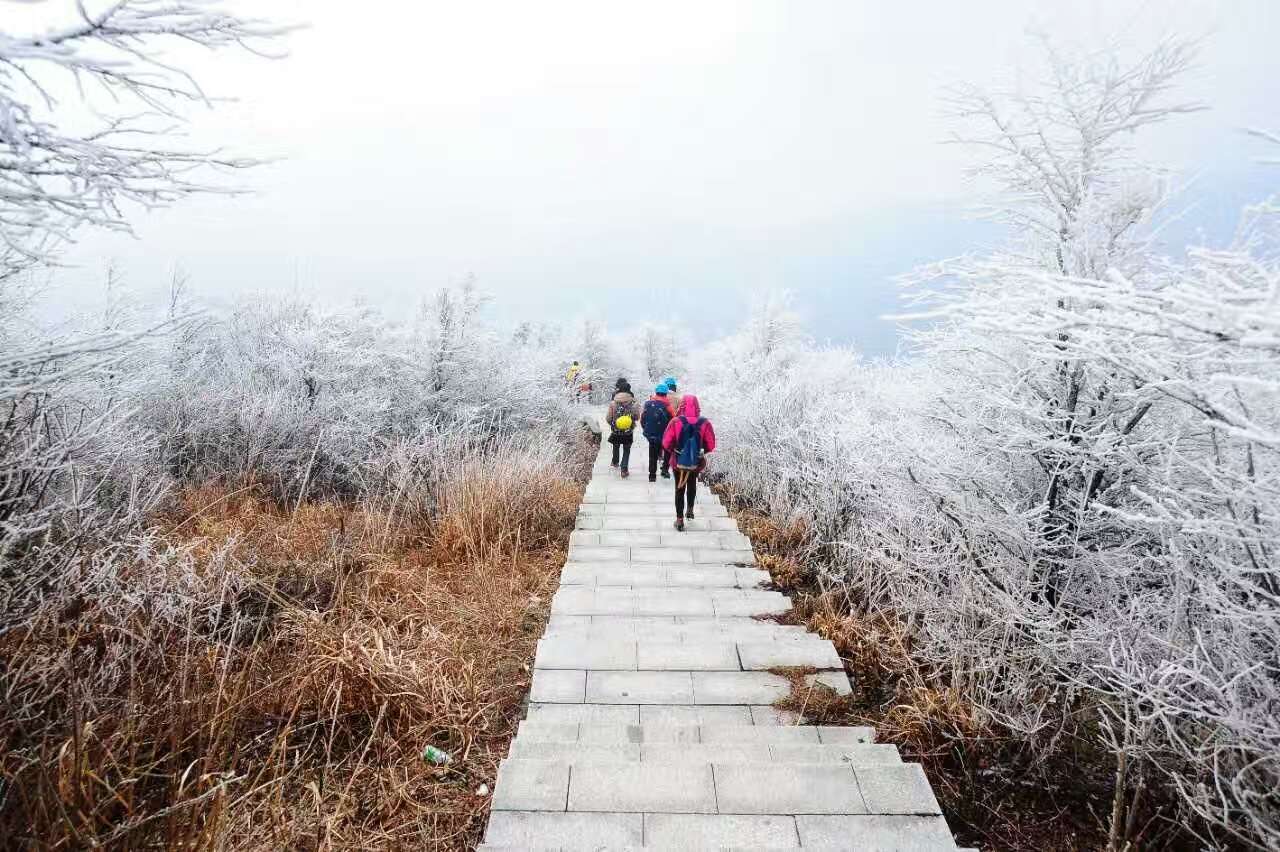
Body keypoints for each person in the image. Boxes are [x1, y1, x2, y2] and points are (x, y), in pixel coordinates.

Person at [661, 394, 715, 531]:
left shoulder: (675, 421)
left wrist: (675, 450)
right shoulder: (704, 422)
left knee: (679, 488)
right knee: (692, 483)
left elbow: (666, 443)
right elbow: (711, 444)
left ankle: (679, 520)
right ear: (697, 406)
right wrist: (699, 451)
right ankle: (690, 509)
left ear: (682, 405)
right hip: (696, 461)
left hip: (679, 461)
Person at [640, 383, 675, 482]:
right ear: (665, 394)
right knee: (667, 451)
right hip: (665, 434)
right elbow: (674, 419)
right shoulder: (667, 405)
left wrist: (646, 429)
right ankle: (664, 469)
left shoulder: (648, 404)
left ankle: (652, 475)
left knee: (652, 454)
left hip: (651, 434)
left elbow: (642, 418)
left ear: (656, 392)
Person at [605, 378, 638, 477]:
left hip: (616, 429)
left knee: (616, 444)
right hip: (628, 431)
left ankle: (615, 461)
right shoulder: (633, 402)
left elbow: (608, 418)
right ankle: (624, 469)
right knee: (627, 449)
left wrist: (613, 424)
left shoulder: (613, 403)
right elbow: (637, 416)